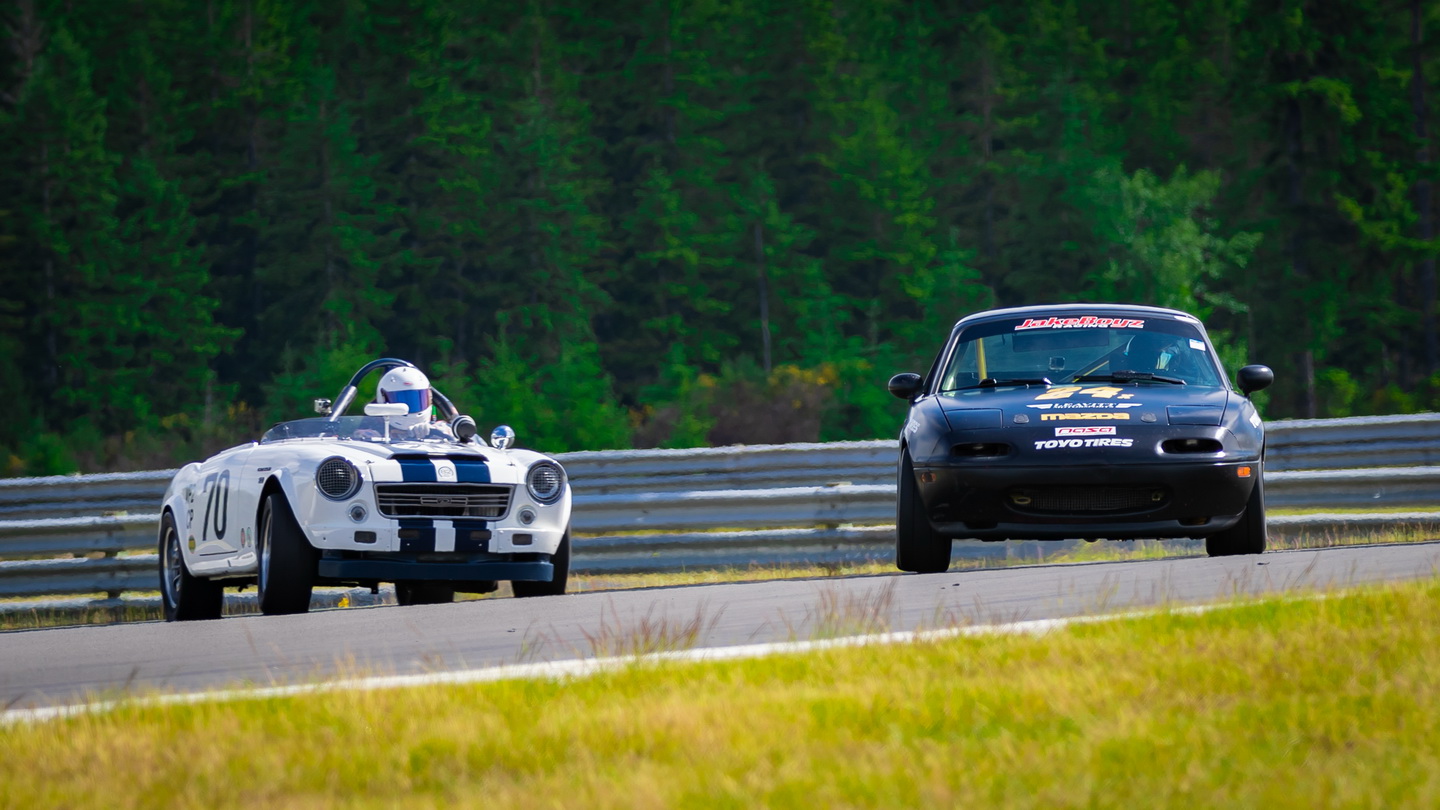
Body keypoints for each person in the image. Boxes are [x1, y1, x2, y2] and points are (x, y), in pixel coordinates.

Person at [365, 366, 453, 441]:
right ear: (383, 400)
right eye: (400, 399)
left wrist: (433, 432)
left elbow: (460, 440)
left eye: (416, 399)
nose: (409, 407)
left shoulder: (442, 430)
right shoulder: (372, 435)